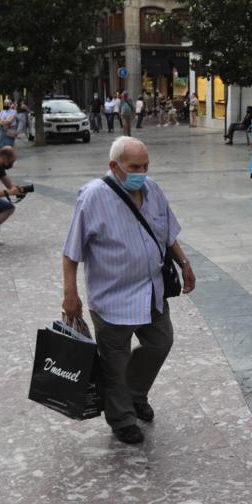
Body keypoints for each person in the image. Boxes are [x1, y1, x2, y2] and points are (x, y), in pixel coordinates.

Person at [61, 137, 195, 445]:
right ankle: (121, 418)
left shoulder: (153, 190)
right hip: (112, 297)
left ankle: (134, 393)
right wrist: (70, 294)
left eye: (145, 166)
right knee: (114, 360)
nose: (141, 173)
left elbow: (167, 233)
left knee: (160, 342)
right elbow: (71, 252)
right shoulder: (93, 197)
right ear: (114, 166)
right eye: (134, 167)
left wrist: (184, 262)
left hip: (151, 291)